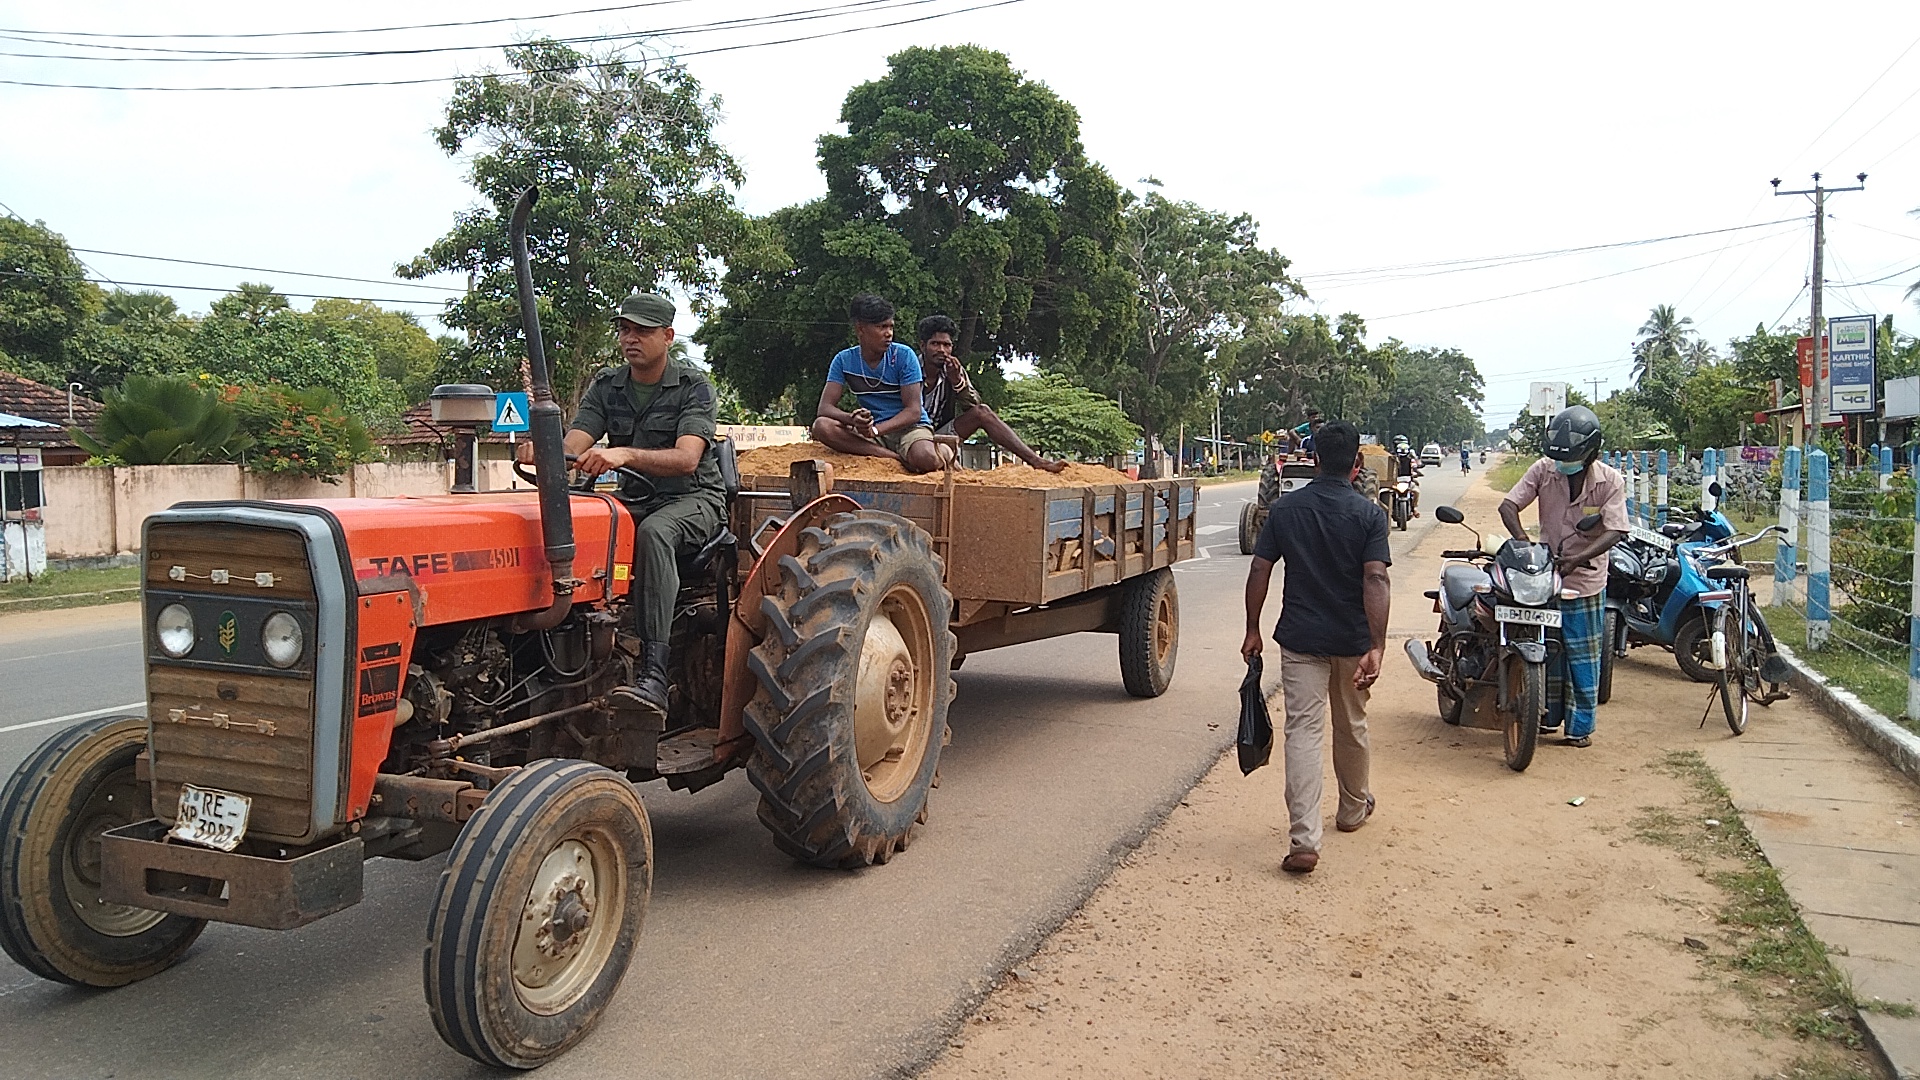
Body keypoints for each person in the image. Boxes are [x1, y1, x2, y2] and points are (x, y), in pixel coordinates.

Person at [518, 290, 726, 721]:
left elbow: (687, 459)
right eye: (625, 330)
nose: (631, 339)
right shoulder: (608, 385)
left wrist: (625, 454)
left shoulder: (694, 387)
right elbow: (575, 443)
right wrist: (544, 451)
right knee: (569, 523)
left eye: (642, 331)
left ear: (667, 336)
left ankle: (654, 675)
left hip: (693, 499)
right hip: (635, 499)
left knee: (654, 533)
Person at [1241, 420, 1391, 874]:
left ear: (1314, 460)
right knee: (1352, 724)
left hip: (1301, 639)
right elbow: (1376, 578)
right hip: (1352, 640)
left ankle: (1304, 839)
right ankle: (1352, 810)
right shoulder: (1369, 515)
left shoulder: (1286, 509)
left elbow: (1260, 569)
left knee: (1303, 732)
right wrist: (1377, 645)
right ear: (1357, 463)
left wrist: (1252, 629)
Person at [1497, 405, 1629, 748]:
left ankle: (1580, 727)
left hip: (1586, 581)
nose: (1562, 464)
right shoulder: (1543, 470)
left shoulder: (1610, 482)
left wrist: (1579, 558)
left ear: (1591, 454)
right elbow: (1508, 506)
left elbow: (1615, 530)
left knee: (1583, 656)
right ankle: (1545, 716)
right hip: (1545, 579)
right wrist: (1524, 544)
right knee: (1548, 650)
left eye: (1569, 458)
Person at [810, 294, 951, 473]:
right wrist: (853, 419)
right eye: (881, 327)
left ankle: (944, 451)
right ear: (861, 328)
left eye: (891, 327)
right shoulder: (843, 360)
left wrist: (876, 430)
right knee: (822, 426)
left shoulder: (904, 356)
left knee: (926, 458)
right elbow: (825, 408)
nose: (889, 333)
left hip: (909, 429)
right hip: (872, 432)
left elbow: (914, 411)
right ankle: (893, 457)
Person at [916, 314, 1065, 472]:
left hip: (939, 434)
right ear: (923, 346)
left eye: (946, 345)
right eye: (935, 344)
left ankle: (1036, 461)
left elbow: (973, 406)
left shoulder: (953, 370)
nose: (941, 350)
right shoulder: (909, 368)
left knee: (983, 412)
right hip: (911, 435)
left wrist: (958, 382)